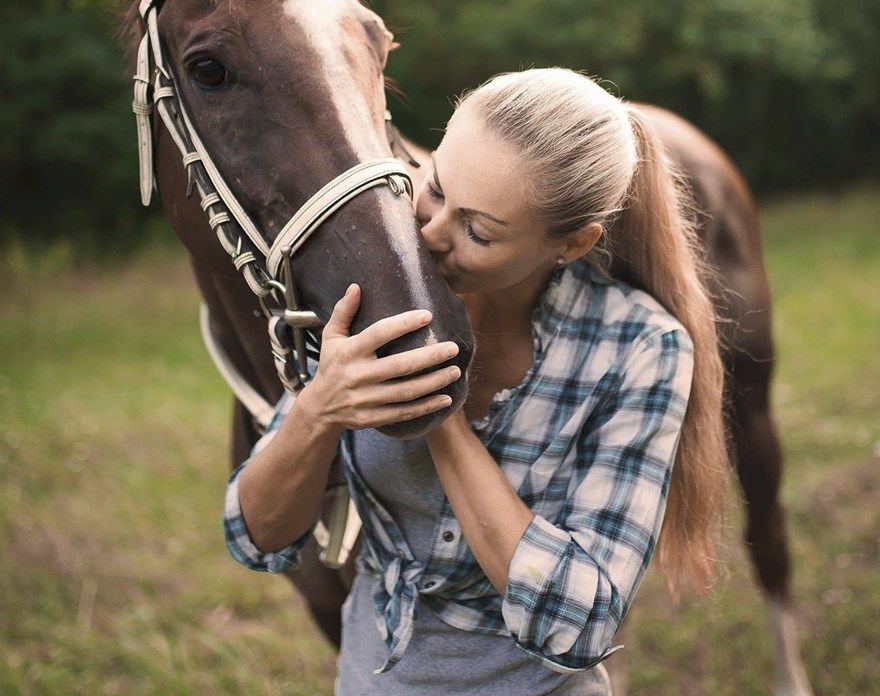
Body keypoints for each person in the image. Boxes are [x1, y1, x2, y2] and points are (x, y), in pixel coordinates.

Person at [223, 67, 728, 695]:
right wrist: (319, 408)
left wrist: (438, 412)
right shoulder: (378, 292)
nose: (430, 235)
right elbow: (253, 537)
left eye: (478, 232)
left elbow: (580, 625)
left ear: (571, 244)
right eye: (433, 188)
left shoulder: (641, 349)